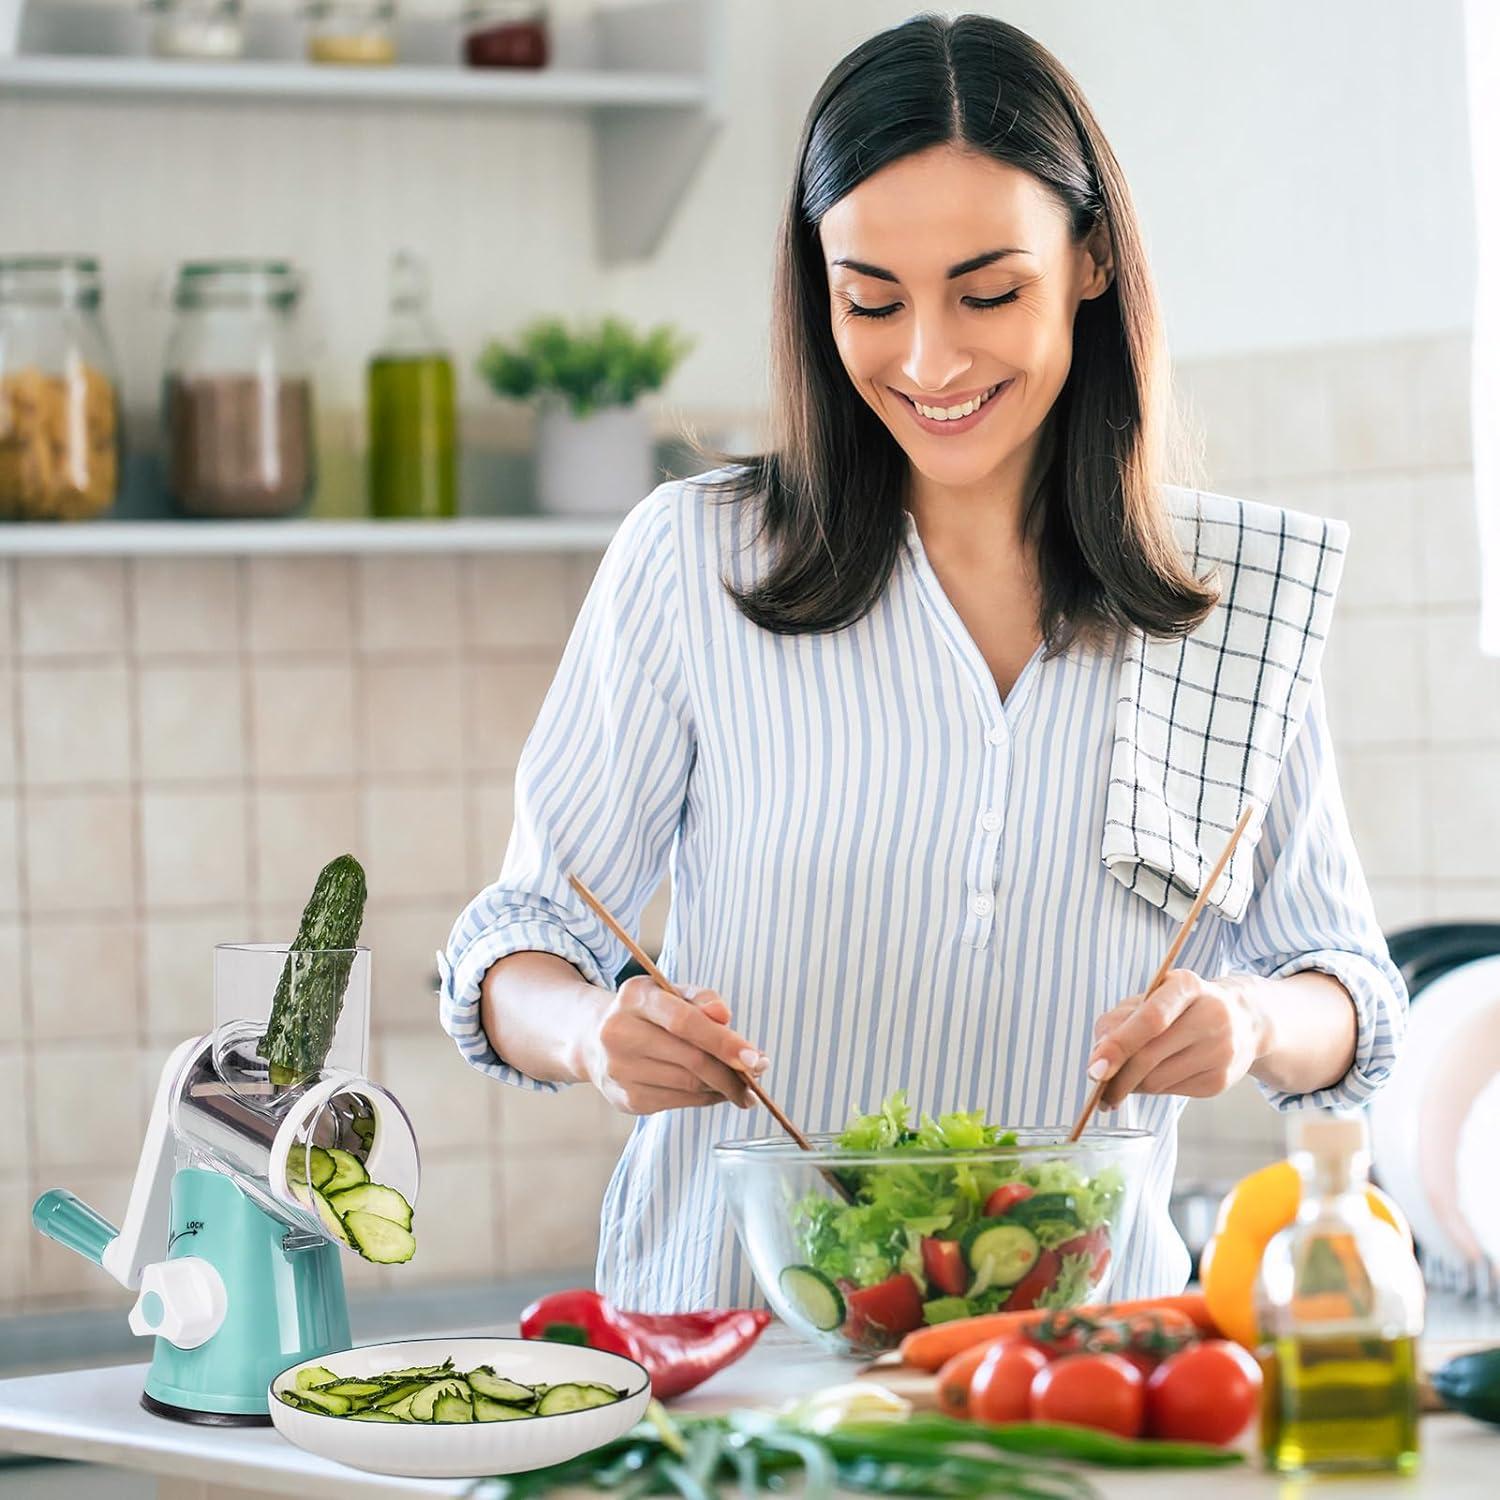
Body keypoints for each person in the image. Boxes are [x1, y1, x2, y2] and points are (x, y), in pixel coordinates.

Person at [439, 13, 1405, 1312]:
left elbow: (1347, 994)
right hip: (728, 1370)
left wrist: (1249, 1023)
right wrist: (587, 1037)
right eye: (870, 301)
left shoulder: (1225, 604)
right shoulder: (694, 561)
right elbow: (517, 937)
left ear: (1092, 263)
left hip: (1076, 1382)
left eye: (989, 292)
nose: (929, 360)